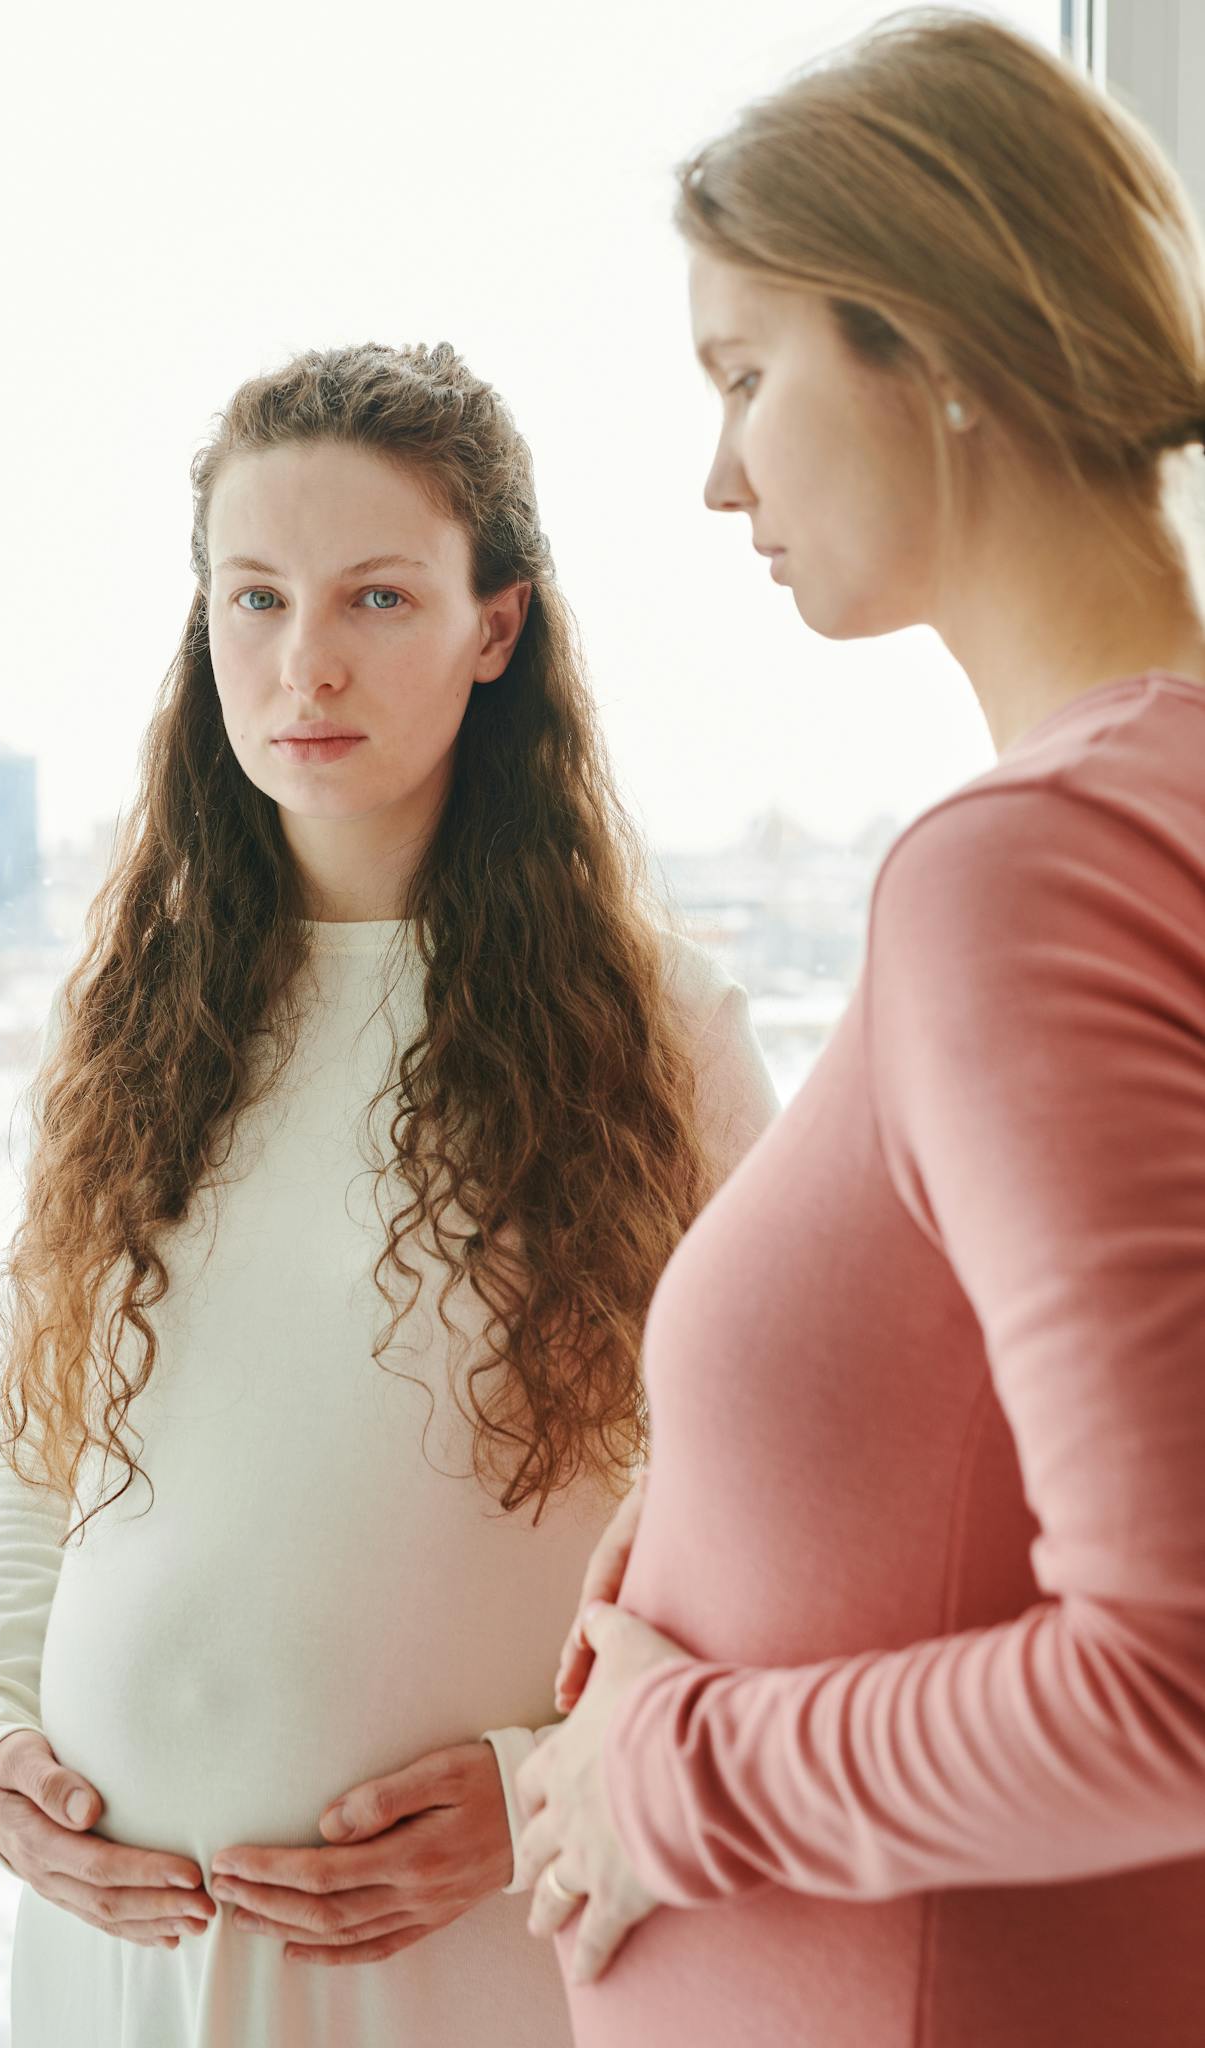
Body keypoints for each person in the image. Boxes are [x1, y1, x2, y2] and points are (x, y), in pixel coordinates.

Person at [0, 340, 779, 2047]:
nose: (301, 661)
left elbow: (778, 1507)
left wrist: (546, 1784)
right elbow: (51, 1446)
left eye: (377, 597)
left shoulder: (662, 1031)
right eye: (252, 598)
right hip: (116, 1966)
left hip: (474, 1953)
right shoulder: (129, 1021)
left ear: (493, 627)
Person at [513, 12, 1205, 2046]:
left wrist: (666, 1773)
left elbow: (1165, 1678)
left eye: (745, 372)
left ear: (932, 339)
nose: (715, 469)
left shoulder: (1035, 865)